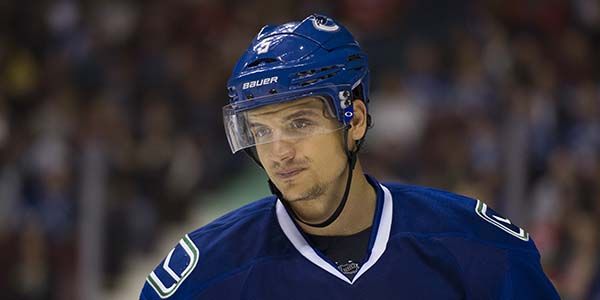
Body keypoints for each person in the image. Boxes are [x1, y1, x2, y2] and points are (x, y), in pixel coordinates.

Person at [140, 14, 559, 299]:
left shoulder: (477, 247)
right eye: (261, 130)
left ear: (355, 120)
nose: (278, 150)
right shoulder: (203, 277)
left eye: (300, 123)